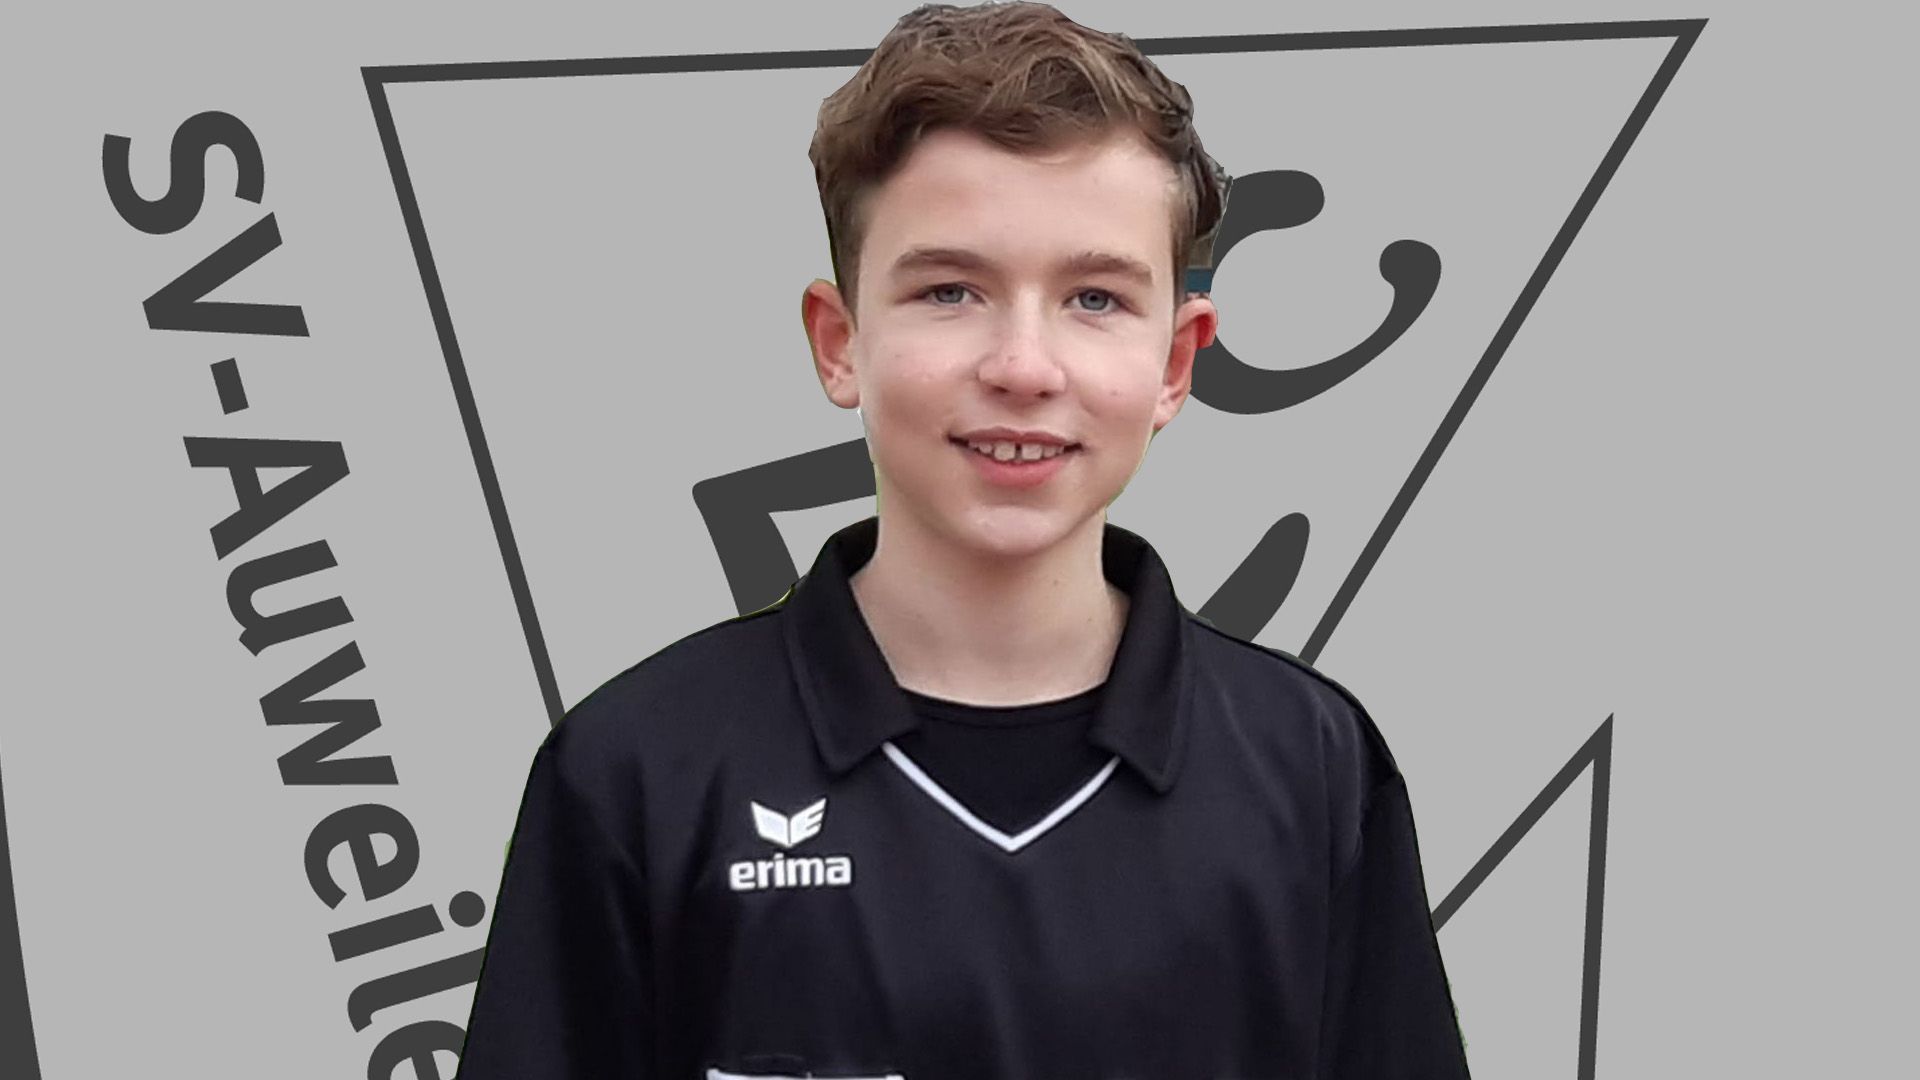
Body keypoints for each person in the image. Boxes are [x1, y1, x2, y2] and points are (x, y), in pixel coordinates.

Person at [456, 3, 1472, 1077]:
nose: (1023, 367)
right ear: (839, 342)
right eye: (950, 290)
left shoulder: (1312, 768)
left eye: (1095, 297)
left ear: (1177, 362)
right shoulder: (635, 773)